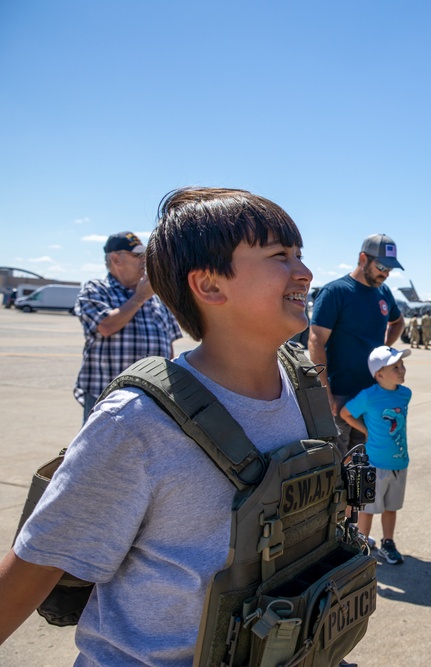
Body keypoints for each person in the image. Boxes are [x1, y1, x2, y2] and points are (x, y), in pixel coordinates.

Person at [0, 187, 316, 663]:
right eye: (279, 255)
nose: (305, 272)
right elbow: (35, 567)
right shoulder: (135, 426)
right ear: (209, 287)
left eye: (299, 254)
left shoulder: (304, 392)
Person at [308, 234, 404, 457]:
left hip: (371, 394)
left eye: (390, 270)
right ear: (363, 258)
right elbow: (316, 341)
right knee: (338, 464)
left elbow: (398, 322)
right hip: (340, 395)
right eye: (381, 266)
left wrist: (382, 351)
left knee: (364, 465)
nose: (385, 274)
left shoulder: (383, 293)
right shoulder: (336, 292)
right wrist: (326, 392)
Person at [73, 231, 183, 422]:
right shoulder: (96, 289)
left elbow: (169, 347)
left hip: (153, 400)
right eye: (137, 255)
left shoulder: (156, 297)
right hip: (106, 399)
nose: (144, 261)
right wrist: (139, 298)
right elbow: (105, 326)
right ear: (116, 259)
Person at [340, 345, 412, 565]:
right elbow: (345, 413)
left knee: (391, 507)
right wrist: (364, 430)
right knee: (368, 509)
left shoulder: (405, 394)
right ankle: (362, 544)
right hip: (374, 464)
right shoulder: (369, 396)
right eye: (395, 367)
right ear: (379, 374)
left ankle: (388, 542)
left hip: (399, 462)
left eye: (402, 365)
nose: (402, 370)